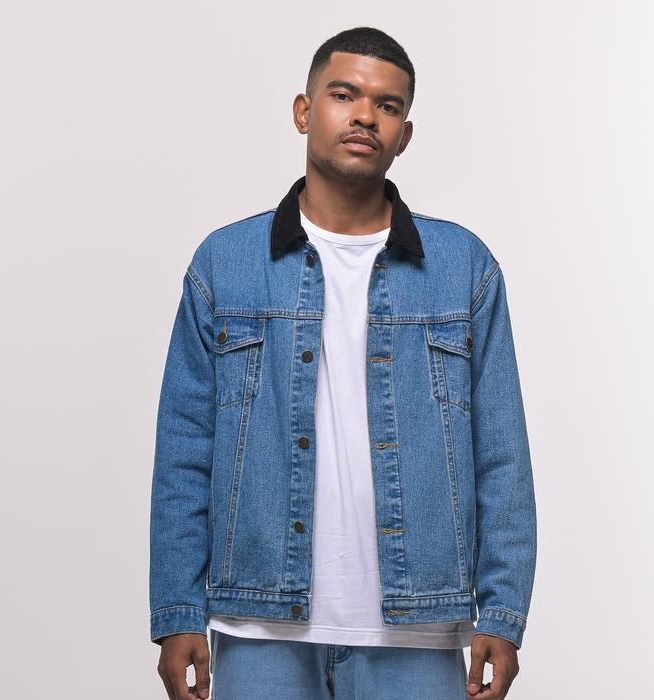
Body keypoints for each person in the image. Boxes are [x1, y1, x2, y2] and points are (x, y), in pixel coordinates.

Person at [149, 26, 537, 700]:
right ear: (304, 110)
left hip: (418, 630)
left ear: (404, 135)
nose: (365, 115)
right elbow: (185, 447)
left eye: (387, 105)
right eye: (344, 94)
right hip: (259, 624)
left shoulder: (463, 267)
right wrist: (177, 609)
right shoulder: (226, 263)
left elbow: (501, 455)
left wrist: (503, 613)